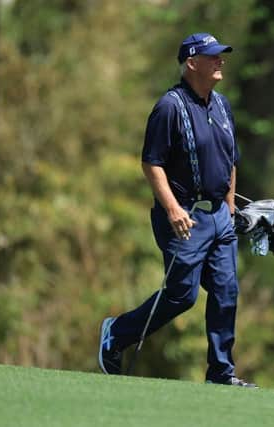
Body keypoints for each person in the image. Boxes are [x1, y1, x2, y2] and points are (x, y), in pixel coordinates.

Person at [98, 32, 256, 387]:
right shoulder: (169, 107)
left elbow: (231, 159)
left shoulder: (222, 105)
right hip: (184, 217)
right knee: (182, 295)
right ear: (192, 63)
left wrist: (230, 206)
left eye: (221, 56)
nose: (221, 61)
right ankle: (117, 333)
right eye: (213, 56)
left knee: (227, 291)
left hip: (219, 216)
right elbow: (152, 163)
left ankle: (221, 372)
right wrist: (172, 209)